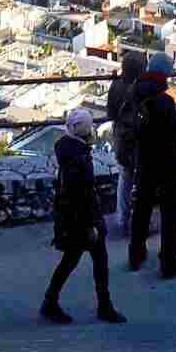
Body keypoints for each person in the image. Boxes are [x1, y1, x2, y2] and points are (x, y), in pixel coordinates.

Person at [41, 108, 127, 324]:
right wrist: (90, 225)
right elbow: (81, 194)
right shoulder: (77, 157)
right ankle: (101, 306)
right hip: (81, 221)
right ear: (84, 130)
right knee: (91, 260)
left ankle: (51, 302)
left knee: (73, 260)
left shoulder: (70, 150)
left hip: (75, 219)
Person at [127, 52, 176, 279]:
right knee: (169, 213)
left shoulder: (135, 92)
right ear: (165, 74)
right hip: (166, 163)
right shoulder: (164, 102)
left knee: (141, 209)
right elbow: (173, 135)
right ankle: (168, 263)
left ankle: (136, 255)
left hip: (144, 159)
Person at [106, 51, 146, 236]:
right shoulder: (141, 89)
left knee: (125, 176)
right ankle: (141, 221)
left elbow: (111, 114)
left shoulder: (115, 86)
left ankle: (122, 219)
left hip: (121, 136)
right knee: (143, 178)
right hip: (139, 138)